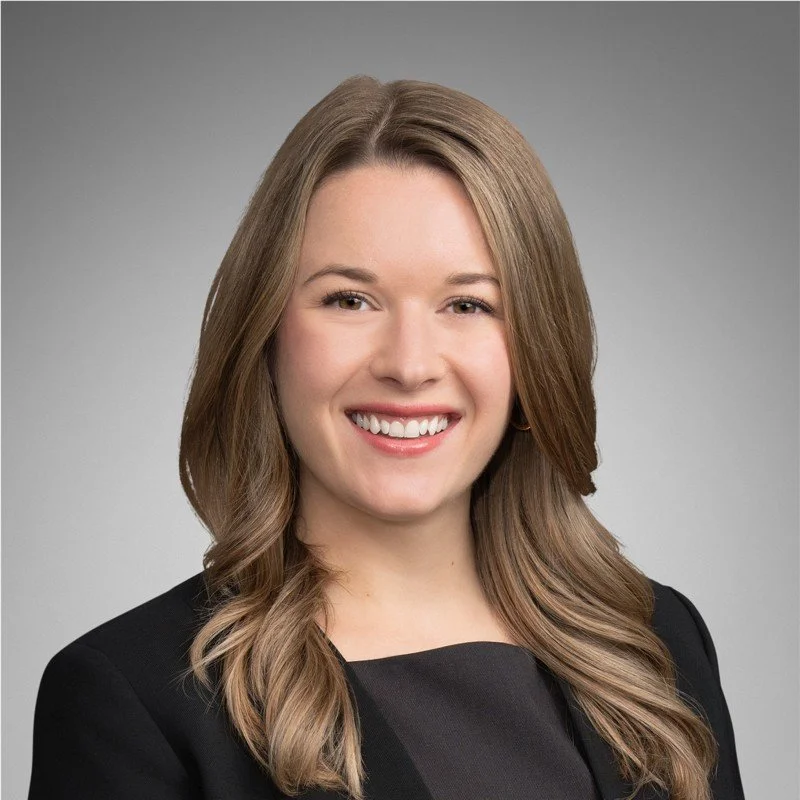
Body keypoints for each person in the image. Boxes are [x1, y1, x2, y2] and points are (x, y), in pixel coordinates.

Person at [27, 75, 745, 800]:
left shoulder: (657, 643)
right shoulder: (130, 698)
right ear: (267, 336)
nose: (408, 365)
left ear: (534, 350)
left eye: (467, 303)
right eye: (349, 299)